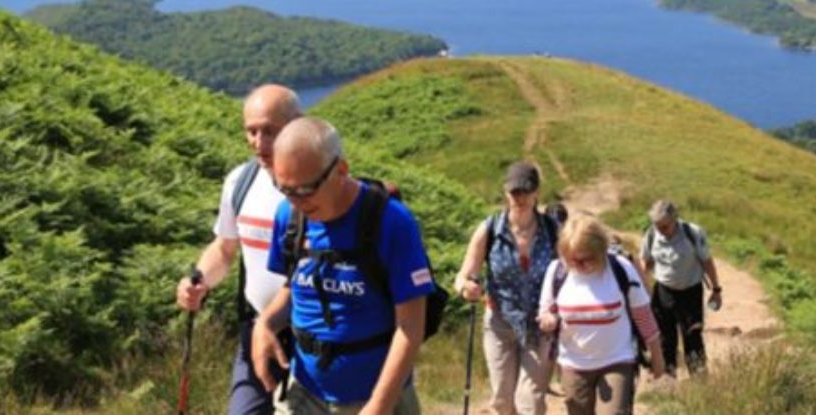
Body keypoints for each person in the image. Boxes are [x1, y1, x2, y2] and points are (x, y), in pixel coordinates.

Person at [251, 118, 433, 415]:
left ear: (341, 171)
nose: (296, 202)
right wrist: (266, 323)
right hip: (302, 392)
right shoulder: (289, 217)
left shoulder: (391, 222)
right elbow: (295, 285)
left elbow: (410, 326)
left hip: (374, 398)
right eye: (284, 188)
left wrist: (379, 406)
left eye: (306, 189)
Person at [176, 85, 304, 415]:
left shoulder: (318, 186)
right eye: (252, 131)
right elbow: (225, 247)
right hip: (256, 331)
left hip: (314, 335)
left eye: (270, 131)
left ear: (297, 125)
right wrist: (200, 279)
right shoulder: (240, 181)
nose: (259, 143)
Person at [455, 161, 560, 415]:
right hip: (499, 324)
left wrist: (557, 312)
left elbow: (568, 275)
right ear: (506, 192)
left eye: (525, 191)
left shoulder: (552, 230)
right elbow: (464, 275)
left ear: (537, 192)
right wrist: (466, 286)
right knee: (502, 400)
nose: (519, 198)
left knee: (531, 402)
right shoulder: (490, 230)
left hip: (539, 325)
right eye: (514, 192)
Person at [539, 217, 664, 415]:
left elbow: (643, 316)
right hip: (574, 364)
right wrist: (548, 320)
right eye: (573, 259)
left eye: (586, 258)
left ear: (600, 251)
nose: (579, 265)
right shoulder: (557, 271)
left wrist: (657, 358)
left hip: (617, 360)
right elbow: (546, 310)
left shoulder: (620, 268)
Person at [639, 200, 719, 378]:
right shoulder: (651, 235)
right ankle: (668, 377)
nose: (661, 231)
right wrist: (641, 287)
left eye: (665, 226)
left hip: (690, 292)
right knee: (665, 337)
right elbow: (645, 261)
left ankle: (699, 378)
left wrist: (716, 289)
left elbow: (707, 261)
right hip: (663, 292)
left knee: (692, 336)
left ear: (675, 218)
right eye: (658, 226)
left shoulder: (693, 233)